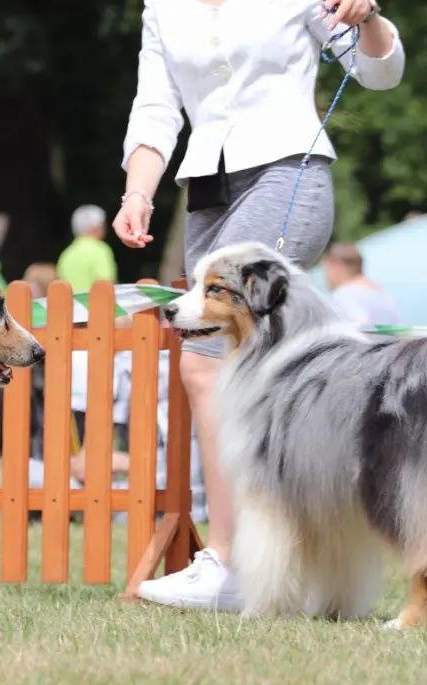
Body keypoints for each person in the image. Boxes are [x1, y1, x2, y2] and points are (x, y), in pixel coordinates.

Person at [113, 0, 404, 611]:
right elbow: (156, 106)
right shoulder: (162, 8)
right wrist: (138, 191)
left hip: (287, 173)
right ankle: (295, 551)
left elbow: (379, 72)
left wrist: (369, 15)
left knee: (204, 359)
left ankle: (231, 560)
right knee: (250, 375)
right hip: (207, 192)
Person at [322, 241, 400, 325]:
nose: (326, 277)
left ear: (337, 266)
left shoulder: (345, 293)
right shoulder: (381, 292)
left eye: (326, 269)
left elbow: (360, 328)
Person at [55, 204, 117, 292]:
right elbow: (107, 283)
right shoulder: (100, 250)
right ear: (96, 228)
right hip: (95, 304)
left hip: (69, 304)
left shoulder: (66, 254)